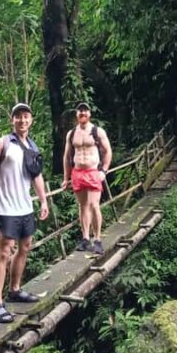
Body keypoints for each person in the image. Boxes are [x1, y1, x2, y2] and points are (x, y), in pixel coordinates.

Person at [0, 103, 49, 324]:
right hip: (5, 207)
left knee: (25, 247)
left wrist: (43, 200)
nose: (22, 120)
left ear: (31, 120)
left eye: (26, 116)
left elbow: (37, 176)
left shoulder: (32, 146)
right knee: (4, 252)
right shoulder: (2, 143)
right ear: (12, 120)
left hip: (25, 206)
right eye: (18, 117)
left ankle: (14, 289)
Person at [63, 102, 112, 255]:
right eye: (80, 111)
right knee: (82, 205)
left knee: (94, 205)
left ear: (89, 114)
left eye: (85, 110)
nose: (82, 113)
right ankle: (85, 238)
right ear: (76, 114)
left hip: (92, 172)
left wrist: (104, 170)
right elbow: (67, 156)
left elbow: (108, 151)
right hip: (77, 172)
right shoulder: (72, 133)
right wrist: (66, 178)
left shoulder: (98, 131)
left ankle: (97, 239)